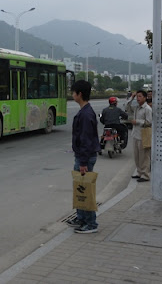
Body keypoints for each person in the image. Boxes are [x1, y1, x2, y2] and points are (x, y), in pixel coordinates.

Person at [66, 80, 101, 234]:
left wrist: (83, 162)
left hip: (84, 158)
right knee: (80, 188)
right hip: (82, 156)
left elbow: (86, 140)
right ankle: (81, 218)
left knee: (85, 189)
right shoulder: (85, 111)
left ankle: (91, 223)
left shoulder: (86, 114)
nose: (72, 94)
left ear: (79, 94)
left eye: (73, 92)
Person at [125, 90, 152, 182]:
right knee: (137, 156)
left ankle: (145, 175)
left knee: (144, 156)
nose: (138, 98)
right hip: (136, 134)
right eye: (137, 96)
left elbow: (149, 122)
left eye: (140, 96)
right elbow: (127, 107)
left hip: (144, 135)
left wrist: (138, 122)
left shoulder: (147, 109)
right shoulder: (136, 107)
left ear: (145, 97)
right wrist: (131, 98)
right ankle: (139, 172)